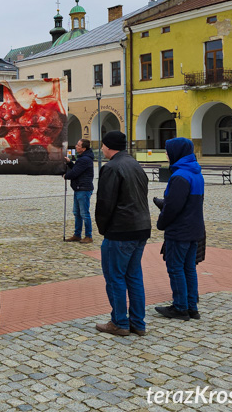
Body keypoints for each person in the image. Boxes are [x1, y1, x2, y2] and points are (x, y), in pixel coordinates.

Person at [94, 131, 151, 336]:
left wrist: (103, 228)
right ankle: (138, 323)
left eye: (102, 145)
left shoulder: (111, 168)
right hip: (141, 227)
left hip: (121, 230)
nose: (101, 149)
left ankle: (119, 322)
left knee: (115, 277)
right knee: (134, 277)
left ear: (109, 146)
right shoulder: (135, 164)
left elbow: (105, 203)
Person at [154, 137, 205, 321]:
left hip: (180, 230)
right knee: (189, 268)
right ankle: (192, 307)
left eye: (168, 151)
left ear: (177, 152)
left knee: (176, 268)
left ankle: (180, 307)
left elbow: (173, 207)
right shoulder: (195, 173)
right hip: (194, 229)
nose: (166, 154)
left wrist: (161, 222)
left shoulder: (179, 176)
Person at [64, 138, 95, 243]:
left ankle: (88, 236)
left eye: (78, 145)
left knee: (84, 213)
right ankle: (77, 234)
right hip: (79, 188)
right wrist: (69, 163)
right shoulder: (82, 158)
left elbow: (75, 172)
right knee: (77, 213)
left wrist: (66, 175)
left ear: (83, 148)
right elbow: (77, 168)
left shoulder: (85, 159)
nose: (76, 146)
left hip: (83, 189)